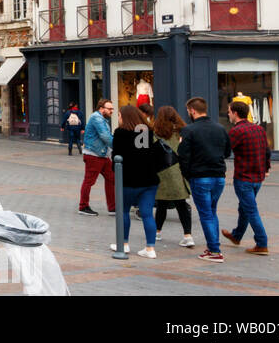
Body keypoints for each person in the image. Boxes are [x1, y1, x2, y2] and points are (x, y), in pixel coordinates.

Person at [178, 97, 232, 263]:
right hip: (218, 177)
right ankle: (213, 246)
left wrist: (188, 174)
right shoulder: (220, 128)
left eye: (188, 111)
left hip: (200, 177)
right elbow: (228, 152)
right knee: (211, 211)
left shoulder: (189, 130)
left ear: (192, 111)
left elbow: (183, 156)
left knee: (206, 214)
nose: (188, 113)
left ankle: (215, 251)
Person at [109, 105, 164, 258]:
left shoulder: (120, 133)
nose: (118, 118)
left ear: (124, 117)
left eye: (119, 115)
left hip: (127, 180)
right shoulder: (146, 131)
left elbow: (116, 157)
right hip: (148, 180)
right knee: (147, 214)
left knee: (124, 211)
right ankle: (150, 248)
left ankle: (124, 244)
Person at [223, 101, 271, 256]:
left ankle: (262, 243)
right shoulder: (259, 129)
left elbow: (225, 151)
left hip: (244, 177)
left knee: (250, 210)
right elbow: (267, 151)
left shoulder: (237, 131)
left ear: (235, 113)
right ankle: (237, 236)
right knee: (244, 207)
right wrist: (266, 168)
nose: (228, 114)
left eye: (229, 112)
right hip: (258, 177)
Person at [152, 106, 195, 248]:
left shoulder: (156, 132)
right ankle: (187, 235)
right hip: (178, 172)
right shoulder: (183, 131)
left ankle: (157, 232)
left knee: (161, 204)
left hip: (162, 171)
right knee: (181, 205)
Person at [79, 99, 116, 217]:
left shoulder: (103, 119)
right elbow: (105, 136)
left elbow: (107, 136)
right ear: (101, 108)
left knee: (112, 178)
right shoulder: (97, 118)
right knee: (89, 181)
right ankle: (83, 206)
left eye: (112, 109)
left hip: (102, 155)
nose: (112, 111)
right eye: (109, 109)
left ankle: (113, 207)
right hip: (94, 155)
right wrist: (118, 146)